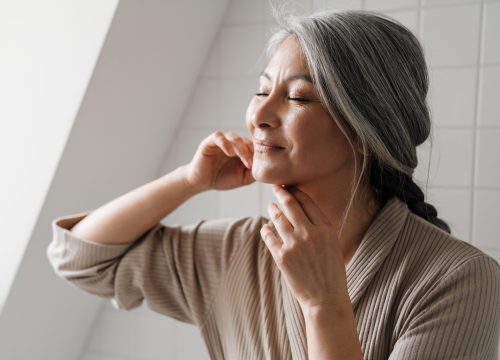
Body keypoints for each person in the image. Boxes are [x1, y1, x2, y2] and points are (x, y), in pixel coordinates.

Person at [47, 9, 500, 360]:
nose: (260, 116)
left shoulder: (458, 281)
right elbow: (80, 258)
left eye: (298, 97)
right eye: (262, 90)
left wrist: (325, 307)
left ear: (365, 132)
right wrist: (188, 181)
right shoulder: (238, 252)